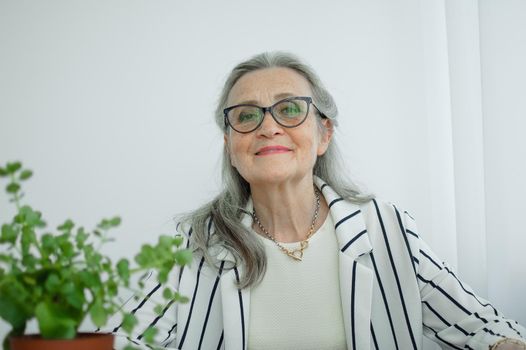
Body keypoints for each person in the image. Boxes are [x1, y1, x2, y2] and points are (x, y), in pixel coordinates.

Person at [109, 52, 526, 350]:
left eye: (289, 109)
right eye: (247, 115)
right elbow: (124, 337)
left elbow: (480, 326)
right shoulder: (193, 241)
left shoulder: (386, 227)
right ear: (230, 143)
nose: (268, 127)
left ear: (324, 134)